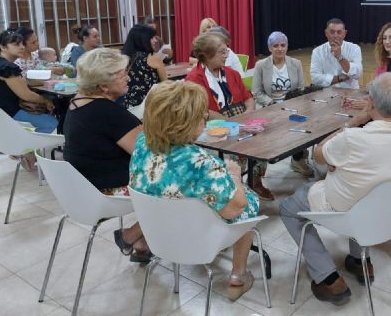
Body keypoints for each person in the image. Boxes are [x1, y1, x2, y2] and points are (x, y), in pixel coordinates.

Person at [279, 73, 391, 306]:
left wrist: (351, 123)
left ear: (371, 102)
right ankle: (361, 260)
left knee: (289, 208)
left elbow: (318, 154)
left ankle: (328, 277)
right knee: (368, 189)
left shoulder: (354, 138)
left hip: (347, 209)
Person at [130, 80, 259, 300]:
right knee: (247, 199)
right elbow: (235, 209)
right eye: (202, 116)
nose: (205, 119)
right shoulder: (200, 163)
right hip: (195, 236)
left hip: (158, 230)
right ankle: (238, 274)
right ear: (186, 124)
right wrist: (235, 175)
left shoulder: (143, 142)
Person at [62, 48, 150, 262]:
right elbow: (149, 155)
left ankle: (142, 242)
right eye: (122, 74)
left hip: (81, 188)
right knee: (180, 180)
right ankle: (131, 236)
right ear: (103, 85)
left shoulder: (77, 103)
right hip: (106, 191)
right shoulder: (108, 113)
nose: (128, 78)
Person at [186, 33, 273, 200]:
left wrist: (247, 115)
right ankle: (235, 186)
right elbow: (203, 112)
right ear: (207, 55)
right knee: (235, 152)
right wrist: (235, 125)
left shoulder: (231, 73)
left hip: (240, 121)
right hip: (215, 128)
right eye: (222, 52)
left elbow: (248, 97)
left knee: (262, 142)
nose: (227, 56)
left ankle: (255, 182)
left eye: (226, 51)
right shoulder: (194, 79)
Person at [0, 29, 58, 168]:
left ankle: (23, 149)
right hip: (9, 113)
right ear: (3, 47)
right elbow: (26, 95)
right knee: (51, 123)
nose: (22, 47)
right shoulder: (7, 67)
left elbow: (20, 83)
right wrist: (46, 100)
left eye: (22, 43)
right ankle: (27, 151)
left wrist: (41, 83)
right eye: (16, 44)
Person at [252, 31, 313, 177]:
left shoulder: (295, 63)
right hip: (269, 107)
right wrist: (272, 103)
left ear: (287, 46)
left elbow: (300, 89)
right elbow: (256, 92)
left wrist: (290, 106)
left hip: (291, 105)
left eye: (283, 45)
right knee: (266, 134)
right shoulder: (261, 65)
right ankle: (260, 167)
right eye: (275, 46)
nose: (280, 49)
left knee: (303, 123)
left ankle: (298, 160)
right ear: (269, 48)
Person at [121, 24, 167, 108]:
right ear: (143, 39)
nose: (155, 41)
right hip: (150, 106)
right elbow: (166, 83)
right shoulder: (153, 57)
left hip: (129, 106)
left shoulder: (123, 58)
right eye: (152, 38)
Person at [311, 18, 362, 89]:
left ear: (345, 33)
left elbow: (357, 74)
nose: (335, 36)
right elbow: (315, 78)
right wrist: (340, 78)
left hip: (349, 92)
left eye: (339, 32)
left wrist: (339, 57)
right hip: (326, 94)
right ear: (326, 33)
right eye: (332, 32)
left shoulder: (354, 48)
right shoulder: (317, 51)